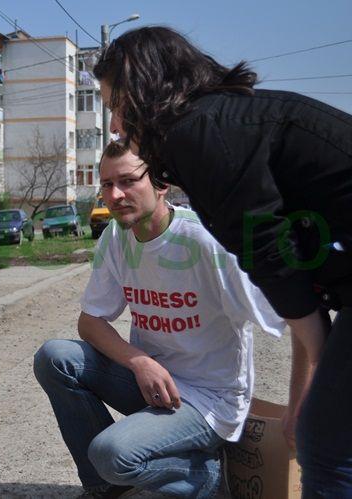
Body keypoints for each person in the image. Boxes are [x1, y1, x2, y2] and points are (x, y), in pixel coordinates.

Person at [92, 26, 352, 496]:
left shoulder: (203, 134)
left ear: (144, 88)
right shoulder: (219, 122)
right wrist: (307, 389)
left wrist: (318, 361)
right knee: (325, 437)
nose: (114, 124)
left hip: (211, 399)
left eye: (115, 104)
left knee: (329, 452)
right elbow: (296, 272)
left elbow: (273, 259)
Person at [34, 142, 284, 498]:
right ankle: (105, 486)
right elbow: (90, 322)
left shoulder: (206, 241)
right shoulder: (116, 237)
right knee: (54, 357)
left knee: (111, 453)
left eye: (128, 181)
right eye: (107, 184)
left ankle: (207, 477)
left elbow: (291, 316)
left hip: (209, 401)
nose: (115, 195)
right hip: (154, 385)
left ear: (160, 184)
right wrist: (140, 362)